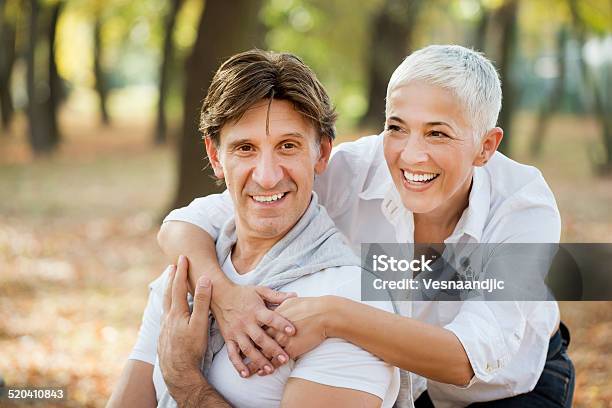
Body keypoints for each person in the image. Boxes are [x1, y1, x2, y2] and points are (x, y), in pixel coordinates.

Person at [158, 45, 575, 407]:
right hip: (409, 389)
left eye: (438, 134)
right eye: (397, 127)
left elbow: (467, 358)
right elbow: (186, 222)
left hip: (508, 391)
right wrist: (225, 295)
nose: (412, 155)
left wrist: (334, 315)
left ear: (486, 146)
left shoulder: (524, 209)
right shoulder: (354, 170)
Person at [107, 49, 400, 408]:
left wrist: (185, 381)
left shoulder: (346, 294)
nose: (266, 176)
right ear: (216, 156)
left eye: (287, 146)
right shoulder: (192, 269)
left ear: (322, 153)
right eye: (245, 148)